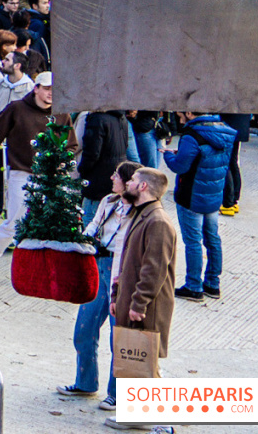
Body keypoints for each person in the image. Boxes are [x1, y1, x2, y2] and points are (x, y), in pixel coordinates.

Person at [60, 160, 138, 406]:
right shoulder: (108, 201)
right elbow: (95, 223)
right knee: (84, 328)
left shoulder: (140, 211)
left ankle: (116, 394)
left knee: (119, 338)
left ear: (129, 183)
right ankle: (85, 382)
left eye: (117, 175)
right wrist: (84, 238)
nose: (112, 177)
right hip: (99, 266)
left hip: (121, 272)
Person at [0, 70, 55, 280]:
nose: (51, 93)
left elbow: (70, 142)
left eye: (54, 89)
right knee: (15, 222)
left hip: (49, 174)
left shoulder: (60, 113)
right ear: (36, 88)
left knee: (45, 224)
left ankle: (34, 269)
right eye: (47, 88)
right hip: (22, 171)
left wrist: (63, 162)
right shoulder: (17, 109)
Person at [111, 168, 178, 391]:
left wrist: (139, 304)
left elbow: (154, 270)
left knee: (147, 368)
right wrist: (116, 296)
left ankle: (164, 423)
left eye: (132, 180)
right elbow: (127, 262)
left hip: (146, 308)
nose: (128, 183)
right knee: (134, 367)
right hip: (130, 302)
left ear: (143, 187)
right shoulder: (141, 214)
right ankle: (136, 419)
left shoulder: (158, 222)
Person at [163, 112, 234, 299]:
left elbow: (180, 167)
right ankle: (212, 284)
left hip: (191, 196)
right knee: (213, 239)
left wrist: (169, 156)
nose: (178, 117)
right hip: (213, 195)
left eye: (180, 113)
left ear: (189, 112)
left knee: (193, 242)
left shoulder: (191, 135)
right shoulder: (226, 131)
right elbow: (210, 158)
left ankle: (194, 286)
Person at [76, 110, 132, 222]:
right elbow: (125, 145)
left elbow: (91, 153)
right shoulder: (121, 117)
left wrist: (82, 170)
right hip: (115, 175)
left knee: (90, 219)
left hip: (97, 180)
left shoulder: (97, 119)